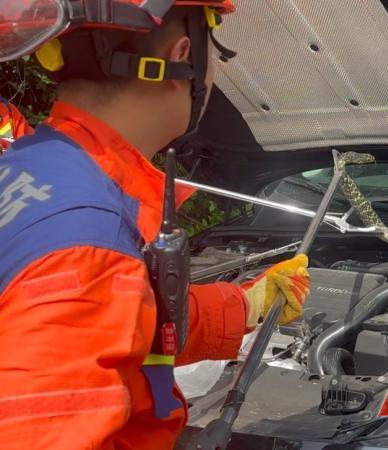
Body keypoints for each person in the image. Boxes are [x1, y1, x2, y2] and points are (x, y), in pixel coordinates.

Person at [0, 1, 310, 449]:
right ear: (181, 54)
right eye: (214, 47)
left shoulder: (36, 169)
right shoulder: (88, 244)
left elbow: (122, 323)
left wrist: (246, 305)